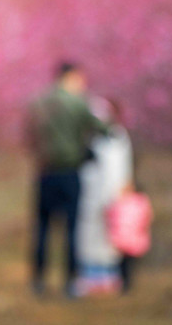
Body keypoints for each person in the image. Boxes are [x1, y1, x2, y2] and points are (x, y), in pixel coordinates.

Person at [26, 62, 106, 298]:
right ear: (71, 77)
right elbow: (102, 128)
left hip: (45, 172)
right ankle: (70, 281)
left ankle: (38, 280)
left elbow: (29, 136)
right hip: (71, 173)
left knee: (42, 228)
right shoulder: (79, 103)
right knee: (72, 229)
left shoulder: (38, 102)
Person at [74, 97, 133, 295]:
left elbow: (116, 169)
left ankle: (109, 279)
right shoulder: (93, 139)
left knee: (109, 241)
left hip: (110, 196)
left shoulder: (116, 137)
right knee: (90, 239)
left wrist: (113, 196)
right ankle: (91, 279)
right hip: (91, 195)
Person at [105, 182, 153, 293]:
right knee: (128, 263)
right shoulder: (141, 202)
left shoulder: (123, 202)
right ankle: (126, 283)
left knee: (125, 263)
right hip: (131, 238)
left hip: (125, 238)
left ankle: (125, 283)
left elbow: (111, 216)